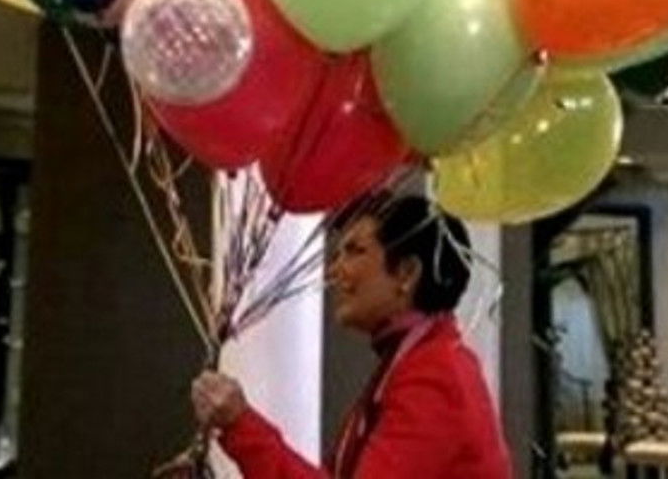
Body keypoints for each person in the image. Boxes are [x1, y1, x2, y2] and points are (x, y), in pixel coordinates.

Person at [189, 193, 512, 478]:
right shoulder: (422, 360)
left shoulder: (435, 376)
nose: (334, 270)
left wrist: (241, 426)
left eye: (355, 251)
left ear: (407, 273)